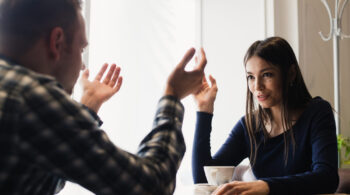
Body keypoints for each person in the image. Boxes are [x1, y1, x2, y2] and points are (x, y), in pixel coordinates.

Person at [0, 0, 207, 194]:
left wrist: (87, 110)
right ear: (57, 42)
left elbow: (33, 183)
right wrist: (173, 95)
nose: (82, 65)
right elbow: (152, 185)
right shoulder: (31, 96)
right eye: (81, 48)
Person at [192, 37, 339, 195]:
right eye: (251, 77)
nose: (257, 86)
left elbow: (327, 178)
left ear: (290, 74)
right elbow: (203, 179)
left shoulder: (317, 113)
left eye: (267, 75)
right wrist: (204, 111)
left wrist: (266, 186)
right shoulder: (249, 126)